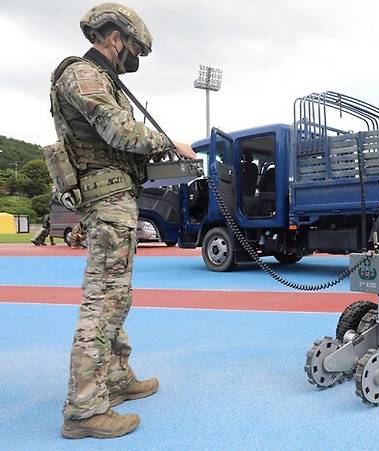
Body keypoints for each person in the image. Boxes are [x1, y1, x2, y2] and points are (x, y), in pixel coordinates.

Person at [49, 3, 197, 439]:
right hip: (107, 200)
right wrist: (170, 142)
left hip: (118, 197)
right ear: (114, 37)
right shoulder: (84, 74)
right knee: (102, 301)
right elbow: (120, 133)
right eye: (133, 48)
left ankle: (114, 379)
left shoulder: (101, 79)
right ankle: (84, 410)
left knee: (117, 297)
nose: (134, 58)